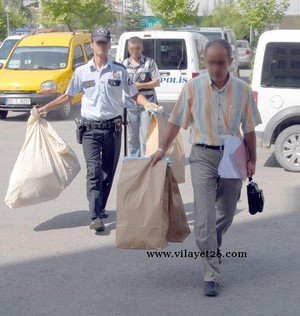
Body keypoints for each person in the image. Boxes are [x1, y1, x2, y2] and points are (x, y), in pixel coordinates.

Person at [151, 39, 262, 296]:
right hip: (202, 154)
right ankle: (211, 273)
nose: (215, 68)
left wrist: (252, 159)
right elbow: (175, 122)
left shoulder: (242, 90)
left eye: (221, 62)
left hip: (233, 152)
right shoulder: (192, 88)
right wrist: (161, 149)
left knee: (227, 210)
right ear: (205, 62)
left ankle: (214, 241)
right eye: (211, 62)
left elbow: (249, 130)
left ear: (230, 62)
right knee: (203, 219)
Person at [37, 27, 161, 232]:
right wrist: (45, 108)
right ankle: (95, 215)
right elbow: (68, 96)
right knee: (93, 171)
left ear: (109, 45)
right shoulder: (81, 71)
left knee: (107, 172)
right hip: (90, 130)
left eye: (105, 42)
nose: (102, 46)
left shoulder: (119, 70)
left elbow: (132, 93)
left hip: (113, 129)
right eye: (98, 42)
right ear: (92, 45)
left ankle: (100, 207)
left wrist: (148, 104)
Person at [122, 36, 160, 157]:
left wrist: (140, 85)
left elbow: (156, 82)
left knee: (146, 136)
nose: (135, 51)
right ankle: (135, 161)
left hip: (147, 106)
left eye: (137, 48)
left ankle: (147, 160)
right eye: (132, 48)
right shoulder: (123, 65)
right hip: (130, 106)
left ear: (142, 48)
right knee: (132, 137)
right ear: (128, 48)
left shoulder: (150, 62)